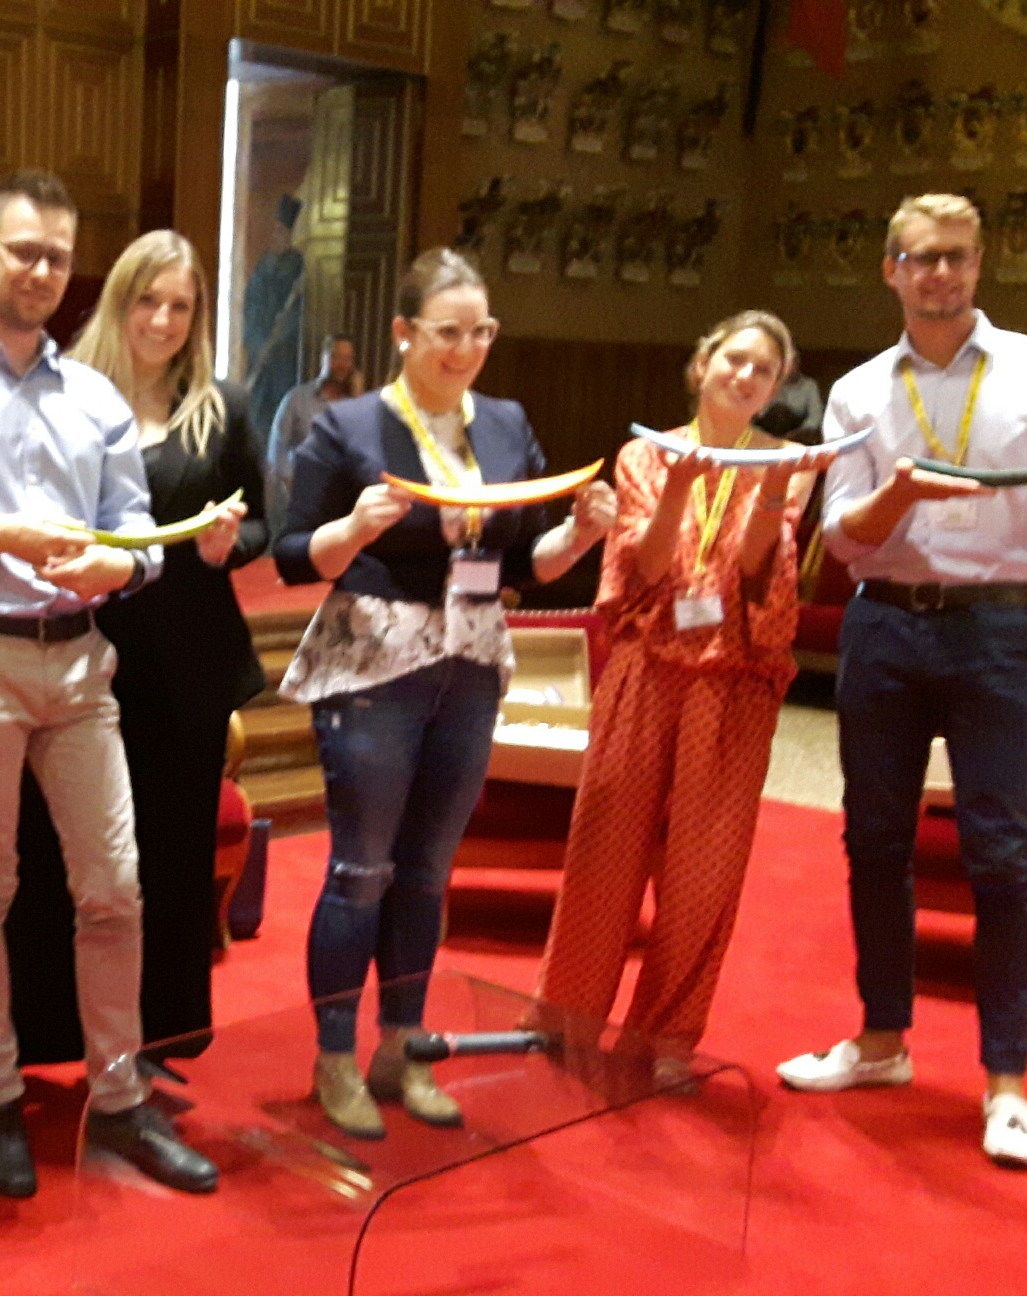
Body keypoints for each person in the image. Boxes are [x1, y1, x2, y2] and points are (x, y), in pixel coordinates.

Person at [775, 193, 1027, 1170]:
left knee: (1000, 854)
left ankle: (1007, 1086)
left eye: (955, 255)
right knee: (874, 842)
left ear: (980, 264)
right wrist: (899, 496)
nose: (939, 273)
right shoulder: (859, 390)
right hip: (884, 627)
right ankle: (881, 1041)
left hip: (994, 630)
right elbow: (839, 536)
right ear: (891, 270)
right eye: (921, 257)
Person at [0, 169, 219, 1199]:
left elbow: (138, 538)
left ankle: (118, 1094)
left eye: (58, 257)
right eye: (23, 250)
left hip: (80, 658)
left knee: (113, 887)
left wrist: (119, 566)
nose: (41, 271)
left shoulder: (96, 397)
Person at [275, 248, 615, 1140]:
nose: (466, 349)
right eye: (447, 332)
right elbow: (290, 555)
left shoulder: (503, 423)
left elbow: (525, 562)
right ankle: (335, 1057)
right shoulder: (348, 425)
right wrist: (352, 529)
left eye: (481, 332)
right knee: (361, 872)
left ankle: (404, 1048)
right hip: (375, 662)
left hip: (471, 660)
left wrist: (581, 535)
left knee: (427, 872)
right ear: (403, 332)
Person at [531, 311, 838, 1079]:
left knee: (705, 868)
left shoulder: (788, 462)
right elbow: (647, 567)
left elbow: (758, 570)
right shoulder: (645, 452)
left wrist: (771, 494)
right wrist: (678, 488)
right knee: (605, 849)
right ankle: (569, 1019)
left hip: (733, 678)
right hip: (646, 667)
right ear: (703, 364)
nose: (746, 376)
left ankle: (665, 1037)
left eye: (764, 370)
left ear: (777, 386)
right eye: (735, 359)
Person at [2, 229, 265, 1067]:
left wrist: (232, 543)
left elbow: (263, 520)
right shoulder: (68, 395)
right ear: (119, 301)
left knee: (174, 853)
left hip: (189, 659)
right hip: (84, 649)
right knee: (57, 847)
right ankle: (50, 1031)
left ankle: (162, 1031)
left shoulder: (222, 405)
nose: (162, 320)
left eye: (180, 306)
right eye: (147, 300)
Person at [267, 335, 361, 530]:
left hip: (341, 509)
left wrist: (358, 398)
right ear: (323, 357)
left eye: (347, 358)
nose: (342, 364)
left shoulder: (356, 404)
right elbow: (277, 448)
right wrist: (291, 486)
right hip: (299, 502)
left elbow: (361, 452)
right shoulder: (297, 398)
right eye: (336, 357)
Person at [242, 193, 307, 439]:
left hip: (284, 357)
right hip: (260, 353)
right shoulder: (263, 266)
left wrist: (277, 342)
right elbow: (251, 307)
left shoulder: (297, 266)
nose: (278, 236)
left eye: (283, 232)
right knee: (256, 410)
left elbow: (298, 312)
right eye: (276, 231)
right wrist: (258, 344)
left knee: (281, 412)